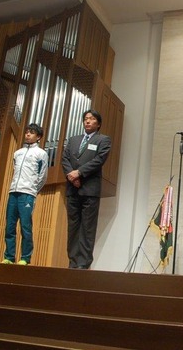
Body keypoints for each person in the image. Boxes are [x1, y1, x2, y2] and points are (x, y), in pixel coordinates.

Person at [62, 110, 111, 269]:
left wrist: (80, 173)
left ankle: (83, 264)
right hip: (72, 189)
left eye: (92, 119)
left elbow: (99, 160)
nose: (88, 121)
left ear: (98, 123)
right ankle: (73, 262)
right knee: (73, 227)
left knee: (87, 228)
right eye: (85, 119)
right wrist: (72, 176)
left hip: (89, 190)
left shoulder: (103, 140)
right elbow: (65, 158)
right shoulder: (73, 139)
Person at [2, 123, 48, 265]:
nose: (28, 134)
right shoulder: (17, 153)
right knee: (10, 226)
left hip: (27, 194)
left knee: (25, 227)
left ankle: (25, 258)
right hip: (13, 192)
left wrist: (33, 190)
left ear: (38, 136)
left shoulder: (41, 154)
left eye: (32, 132)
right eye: (27, 132)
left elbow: (43, 176)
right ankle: (9, 257)